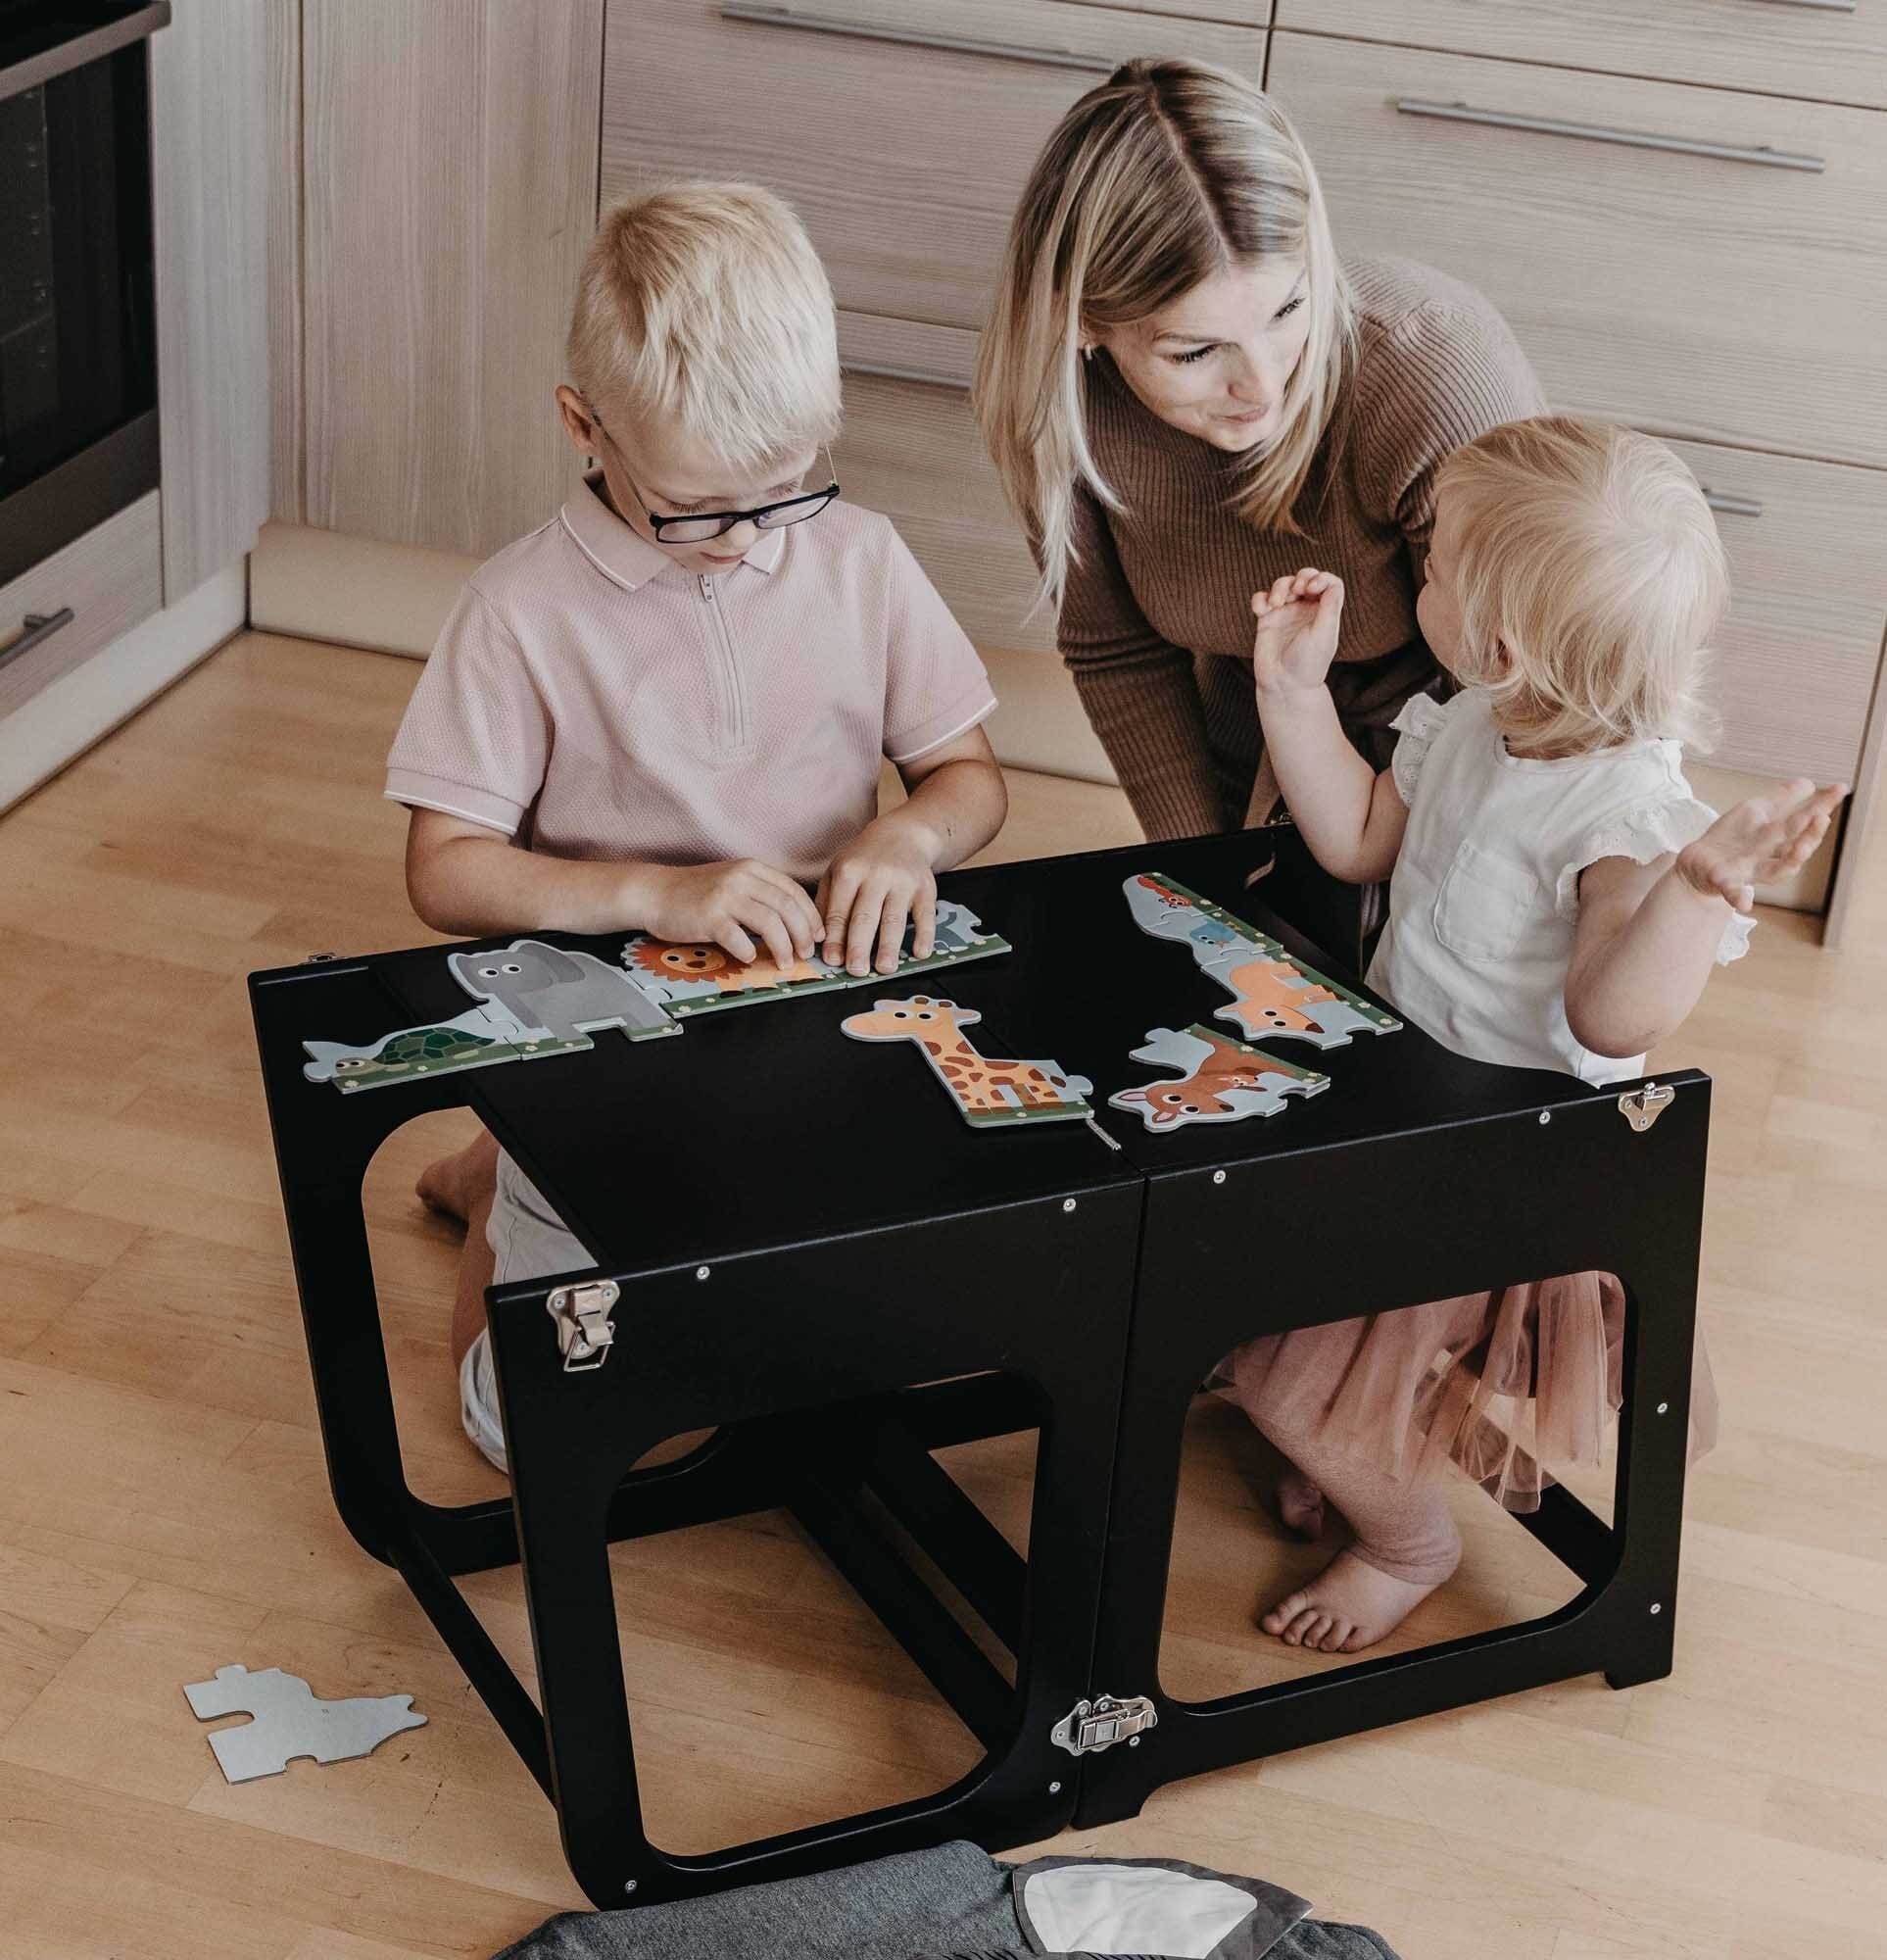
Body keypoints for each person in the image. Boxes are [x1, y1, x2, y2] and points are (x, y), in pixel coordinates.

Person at [388, 183, 1007, 1471]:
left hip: (813, 1007)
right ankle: (500, 1172)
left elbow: (967, 778)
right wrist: (654, 896)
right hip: (602, 1017)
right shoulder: (516, 613)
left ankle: (485, 1162)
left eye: (785, 492)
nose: (748, 543)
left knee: (942, 1348)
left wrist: (907, 839)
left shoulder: (860, 557)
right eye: (699, 509)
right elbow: (444, 874)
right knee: (530, 1436)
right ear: (584, 426)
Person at [1217, 414, 1844, 1653]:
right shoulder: (1467, 721)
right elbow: (1357, 841)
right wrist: (1290, 691)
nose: (1418, 575)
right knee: (1240, 1302)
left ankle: (1407, 1539)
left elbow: (1610, 1011)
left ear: (1499, 640)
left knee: (1281, 1384)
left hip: (1507, 1170)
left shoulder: (1624, 817)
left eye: (1435, 564)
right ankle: (1366, 1447)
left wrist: (1697, 885)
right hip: (1403, 1107)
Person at [975, 56, 1547, 966]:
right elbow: (1119, 653)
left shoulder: (1432, 371)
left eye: (1288, 308)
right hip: (1261, 740)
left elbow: (1527, 685)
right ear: (1083, 322)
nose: (1262, 385)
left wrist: (1382, 854)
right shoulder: (1060, 412)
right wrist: (1209, 875)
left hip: (1482, 763)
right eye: (1196, 351)